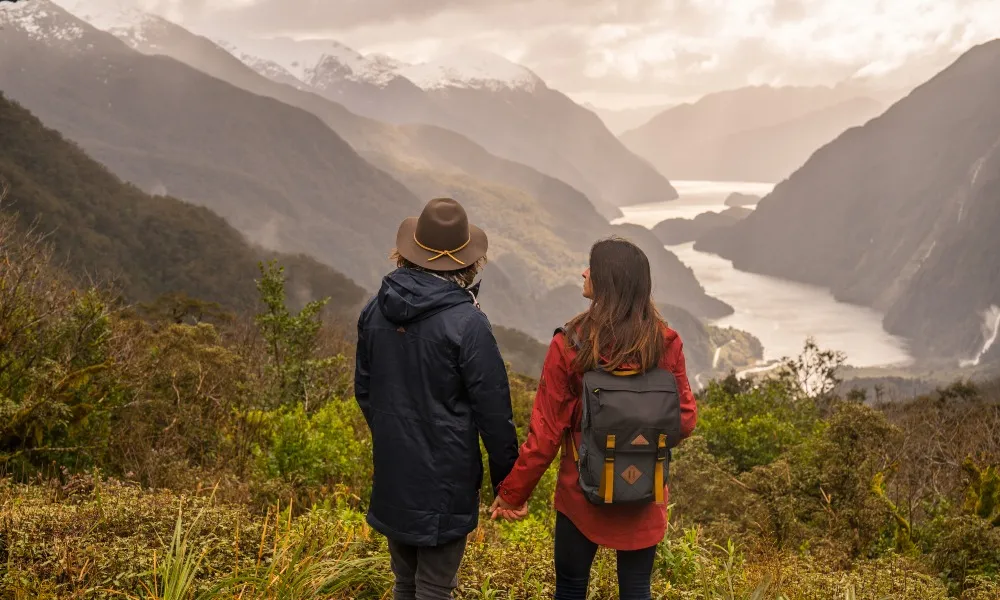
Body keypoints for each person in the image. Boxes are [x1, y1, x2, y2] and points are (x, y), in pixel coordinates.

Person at [491, 236, 698, 600]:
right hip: (644, 489)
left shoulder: (570, 344)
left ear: (608, 282)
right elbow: (684, 420)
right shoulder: (665, 342)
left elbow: (545, 435)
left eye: (592, 268)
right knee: (636, 589)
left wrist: (513, 494)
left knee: (571, 588)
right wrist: (638, 438)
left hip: (581, 491)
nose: (583, 272)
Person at [354, 197, 520, 600]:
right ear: (467, 262)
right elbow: (494, 413)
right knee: (434, 587)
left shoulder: (376, 310)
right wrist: (508, 484)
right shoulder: (468, 323)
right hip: (446, 480)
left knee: (404, 583)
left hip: (394, 471)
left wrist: (397, 436)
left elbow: (365, 391)